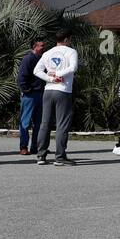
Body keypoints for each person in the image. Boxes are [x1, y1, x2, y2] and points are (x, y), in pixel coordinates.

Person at [34, 29, 78, 166]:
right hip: (63, 90)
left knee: (45, 123)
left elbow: (37, 71)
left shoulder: (47, 53)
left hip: (48, 90)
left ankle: (41, 155)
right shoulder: (71, 52)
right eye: (69, 39)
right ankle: (59, 157)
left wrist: (50, 78)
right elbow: (73, 68)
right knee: (62, 124)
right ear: (66, 40)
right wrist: (58, 74)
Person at [15, 37, 46, 156]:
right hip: (30, 95)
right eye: (41, 45)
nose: (43, 47)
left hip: (41, 94)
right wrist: (27, 90)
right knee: (25, 122)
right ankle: (23, 146)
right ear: (35, 47)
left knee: (39, 123)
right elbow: (22, 77)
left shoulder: (43, 59)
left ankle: (35, 147)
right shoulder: (28, 59)